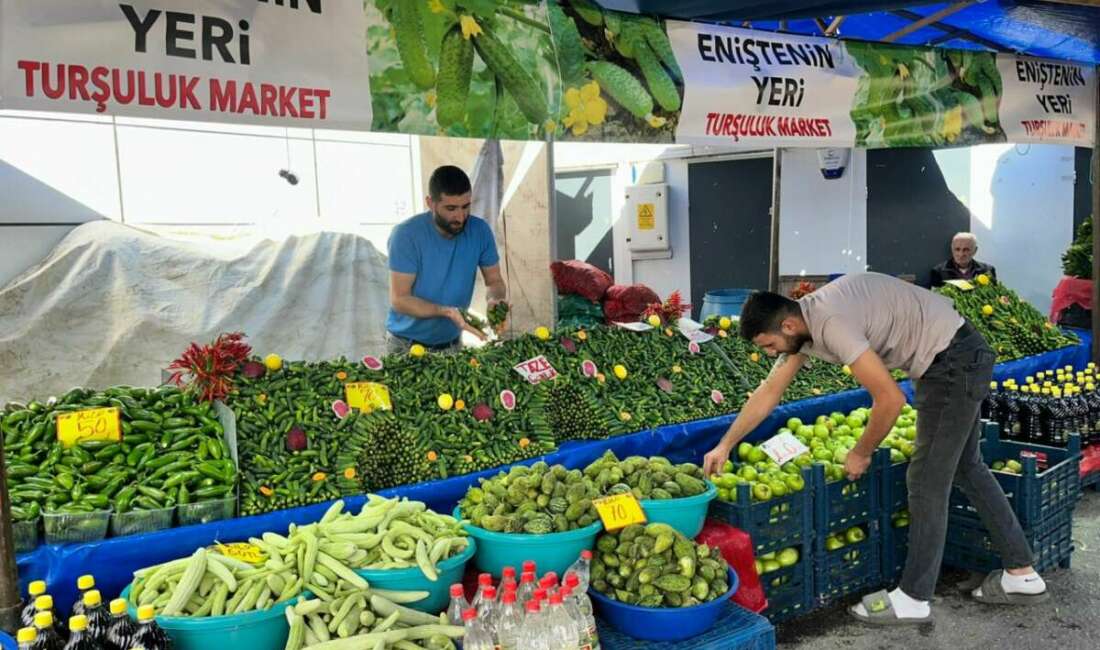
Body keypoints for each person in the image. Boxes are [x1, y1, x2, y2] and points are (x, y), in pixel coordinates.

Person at [701, 273, 1047, 626]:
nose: (770, 353)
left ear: (787, 325)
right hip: (957, 356)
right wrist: (725, 445)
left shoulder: (832, 324)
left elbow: (890, 399)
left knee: (926, 480)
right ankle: (1021, 573)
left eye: (768, 345)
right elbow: (769, 391)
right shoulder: (805, 326)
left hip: (951, 362)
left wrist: (862, 451)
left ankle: (914, 597)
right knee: (966, 467)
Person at [386, 165, 507, 355]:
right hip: (406, 345)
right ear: (430, 202)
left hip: (451, 343)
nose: (460, 216)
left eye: (466, 206)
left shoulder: (480, 231)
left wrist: (495, 299)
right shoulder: (406, 235)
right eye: (451, 208)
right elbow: (400, 299)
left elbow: (495, 281)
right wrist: (444, 311)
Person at [929, 232, 997, 287]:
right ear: (952, 249)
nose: (961, 254)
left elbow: (994, 296)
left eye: (966, 250)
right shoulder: (938, 272)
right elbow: (936, 299)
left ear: (975, 250)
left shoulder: (988, 270)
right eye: (957, 249)